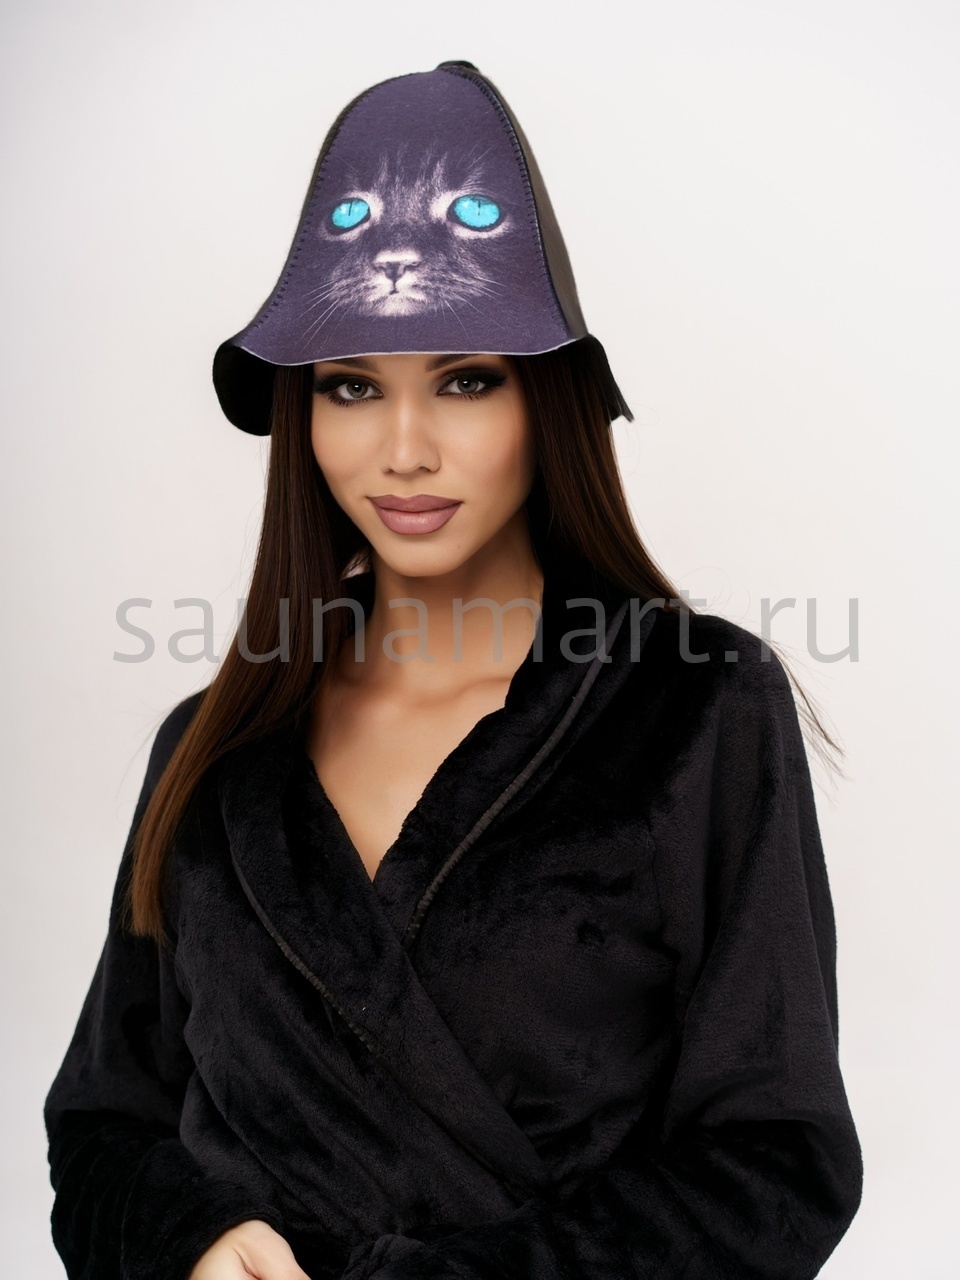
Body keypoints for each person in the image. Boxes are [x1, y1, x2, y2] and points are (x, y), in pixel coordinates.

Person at [44, 61, 863, 1280]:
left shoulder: (697, 707)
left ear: (548, 399)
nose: (404, 449)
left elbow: (777, 1160)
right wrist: (189, 1238)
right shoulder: (210, 748)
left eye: (467, 379)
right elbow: (105, 1123)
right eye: (350, 386)